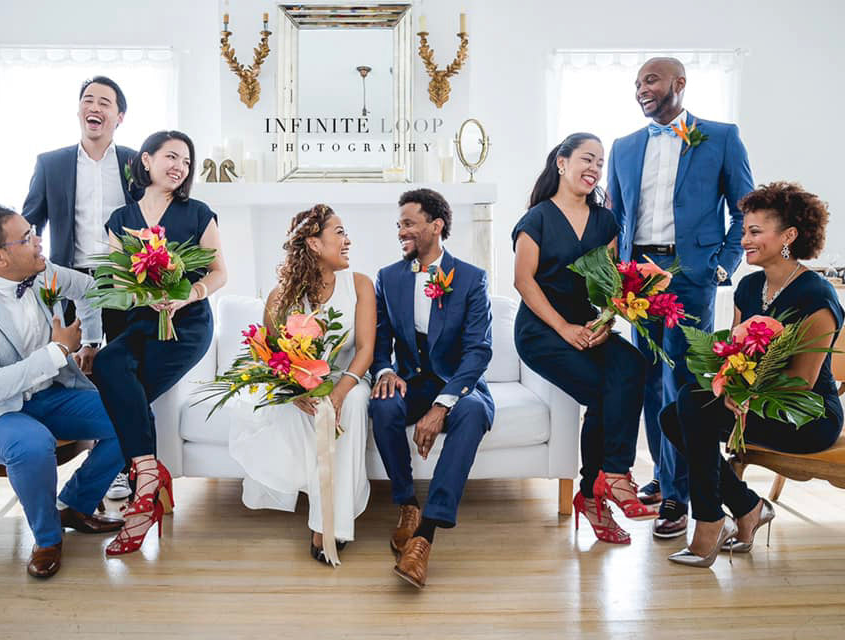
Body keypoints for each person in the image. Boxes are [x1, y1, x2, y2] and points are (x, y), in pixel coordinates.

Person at [0, 206, 125, 579]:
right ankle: (48, 538)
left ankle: (75, 504)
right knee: (31, 443)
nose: (39, 241)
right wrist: (57, 351)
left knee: (130, 415)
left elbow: (89, 289)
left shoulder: (41, 270)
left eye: (33, 232)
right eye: (26, 238)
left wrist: (89, 341)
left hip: (46, 392)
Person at [607, 56, 754, 538]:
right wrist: (613, 275)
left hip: (691, 275)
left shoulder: (721, 136)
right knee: (648, 377)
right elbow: (616, 218)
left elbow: (745, 211)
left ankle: (679, 494)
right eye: (636, 83)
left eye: (650, 80)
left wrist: (722, 265)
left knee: (684, 381)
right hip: (638, 277)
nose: (641, 90)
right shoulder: (624, 147)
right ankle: (667, 477)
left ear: (679, 84)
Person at [660, 182, 843, 567]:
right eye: (744, 231)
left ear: (789, 236)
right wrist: (731, 385)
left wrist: (745, 397)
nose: (744, 240)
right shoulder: (749, 287)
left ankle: (711, 521)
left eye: (755, 232)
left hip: (806, 414)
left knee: (690, 407)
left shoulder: (816, 296)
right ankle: (746, 506)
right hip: (755, 401)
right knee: (674, 414)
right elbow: (734, 354)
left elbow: (801, 383)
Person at [512, 133, 653, 544]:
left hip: (589, 326)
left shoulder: (606, 221)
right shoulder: (536, 218)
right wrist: (563, 328)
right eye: (587, 159)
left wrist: (607, 321)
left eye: (600, 162)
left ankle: (609, 477)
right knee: (606, 390)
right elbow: (523, 281)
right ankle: (598, 490)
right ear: (562, 161)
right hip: (542, 331)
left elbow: (608, 283)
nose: (594, 168)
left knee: (634, 365)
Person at [91, 130, 228, 556]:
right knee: (109, 364)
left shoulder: (199, 212)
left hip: (186, 326)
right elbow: (116, 280)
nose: (179, 167)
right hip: (138, 323)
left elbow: (220, 273)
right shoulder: (120, 218)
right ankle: (149, 481)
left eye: (186, 162)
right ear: (146, 160)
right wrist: (146, 295)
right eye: (172, 157)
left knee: (124, 397)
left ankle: (141, 494)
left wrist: (187, 294)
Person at [228, 204, 376, 565]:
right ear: (313, 243)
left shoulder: (359, 284)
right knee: (296, 412)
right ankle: (325, 510)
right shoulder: (281, 297)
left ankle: (328, 524)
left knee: (353, 403)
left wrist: (339, 392)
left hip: (350, 378)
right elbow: (272, 356)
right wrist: (295, 392)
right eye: (339, 232)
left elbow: (366, 349)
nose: (347, 240)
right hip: (300, 388)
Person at [369, 188, 493, 589]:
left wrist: (442, 406)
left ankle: (425, 537)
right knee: (384, 407)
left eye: (408, 223)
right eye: (399, 224)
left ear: (436, 226)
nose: (401, 231)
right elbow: (379, 340)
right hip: (412, 380)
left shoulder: (472, 279)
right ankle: (407, 505)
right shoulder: (388, 278)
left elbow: (478, 350)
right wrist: (386, 370)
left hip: (458, 382)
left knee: (472, 411)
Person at [22, 75, 139, 502]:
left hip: (124, 281)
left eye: (105, 101)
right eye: (88, 100)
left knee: (124, 371)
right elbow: (29, 220)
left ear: (118, 116)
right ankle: (59, 456)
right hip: (68, 280)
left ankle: (123, 466)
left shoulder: (134, 162)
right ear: (79, 112)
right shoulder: (50, 163)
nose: (95, 106)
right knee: (71, 370)